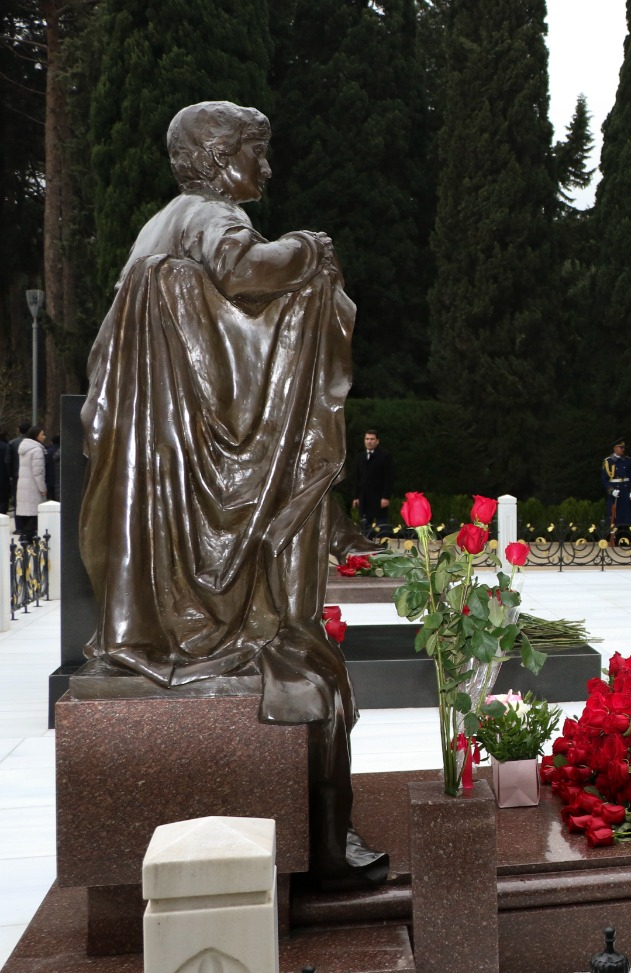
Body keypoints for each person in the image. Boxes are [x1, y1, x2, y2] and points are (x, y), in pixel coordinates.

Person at [79, 101, 385, 886]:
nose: (267, 167)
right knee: (307, 664)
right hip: (188, 466)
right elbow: (247, 275)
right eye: (257, 152)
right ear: (220, 160)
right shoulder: (211, 217)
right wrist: (308, 251)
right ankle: (324, 840)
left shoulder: (161, 226)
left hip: (165, 464)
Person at [353, 429, 395, 538]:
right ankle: (367, 545)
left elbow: (389, 478)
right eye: (367, 439)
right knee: (365, 526)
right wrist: (356, 496)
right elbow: (357, 478)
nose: (369, 441)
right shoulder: (360, 457)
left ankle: (383, 546)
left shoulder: (385, 456)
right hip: (364, 498)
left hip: (379, 497)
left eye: (372, 439)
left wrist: (386, 497)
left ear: (377, 441)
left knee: (382, 526)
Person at [13, 426, 46, 540]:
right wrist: (43, 488)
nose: (44, 437)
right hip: (33, 486)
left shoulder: (24, 448)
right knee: (35, 514)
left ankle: (25, 537)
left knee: (27, 514)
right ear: (36, 436)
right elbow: (38, 472)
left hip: (23, 485)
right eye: (42, 434)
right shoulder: (37, 450)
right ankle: (26, 537)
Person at [603, 438, 631, 533]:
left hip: (626, 490)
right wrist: (611, 490)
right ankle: (614, 535)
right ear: (615, 448)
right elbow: (605, 479)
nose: (623, 449)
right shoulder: (608, 461)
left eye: (623, 447)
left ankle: (627, 535)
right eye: (620, 447)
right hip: (615, 492)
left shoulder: (628, 460)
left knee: (627, 515)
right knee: (615, 516)